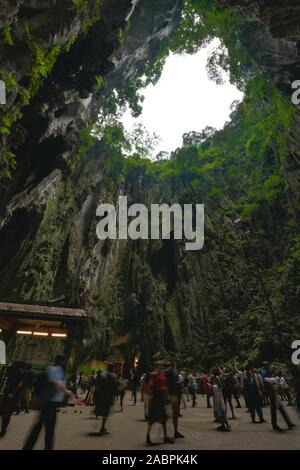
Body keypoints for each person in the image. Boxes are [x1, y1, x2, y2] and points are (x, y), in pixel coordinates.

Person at [22, 355, 73, 450]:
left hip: (48, 402)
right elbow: (55, 382)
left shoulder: (53, 368)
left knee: (40, 427)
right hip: (50, 403)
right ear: (61, 361)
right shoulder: (54, 369)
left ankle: (28, 447)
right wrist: (67, 392)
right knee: (48, 428)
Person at [261, 362, 295, 433]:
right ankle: (276, 425)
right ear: (265, 365)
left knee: (278, 408)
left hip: (273, 392)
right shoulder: (264, 372)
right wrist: (274, 380)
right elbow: (264, 379)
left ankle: (287, 423)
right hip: (271, 393)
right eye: (268, 365)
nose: (269, 366)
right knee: (276, 409)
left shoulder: (266, 371)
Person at [146, 361, 174, 445]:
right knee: (153, 417)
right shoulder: (153, 374)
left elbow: (164, 386)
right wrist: (150, 397)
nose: (162, 366)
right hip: (156, 397)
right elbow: (150, 386)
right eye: (160, 365)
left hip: (162, 397)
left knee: (164, 417)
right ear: (156, 366)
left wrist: (167, 396)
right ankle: (148, 436)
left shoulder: (162, 374)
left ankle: (165, 437)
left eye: (163, 365)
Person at [0, 362, 24, 438]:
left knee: (6, 413)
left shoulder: (16, 372)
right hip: (10, 395)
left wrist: (12, 393)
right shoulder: (19, 372)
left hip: (10, 395)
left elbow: (19, 384)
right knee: (6, 413)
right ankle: (3, 430)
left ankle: (3, 431)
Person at [94, 363, 117, 435]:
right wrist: (114, 397)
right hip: (108, 396)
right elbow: (114, 387)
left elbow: (97, 383)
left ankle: (102, 425)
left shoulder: (102, 374)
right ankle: (102, 427)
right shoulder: (113, 376)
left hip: (100, 395)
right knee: (106, 412)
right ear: (113, 369)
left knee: (101, 409)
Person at [164, 359, 185, 439]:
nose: (174, 363)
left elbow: (174, 382)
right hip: (170, 394)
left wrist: (178, 384)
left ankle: (175, 431)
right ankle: (168, 434)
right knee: (168, 415)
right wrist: (167, 394)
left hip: (175, 394)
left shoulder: (176, 371)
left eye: (175, 361)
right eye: (173, 361)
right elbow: (165, 383)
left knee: (175, 414)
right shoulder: (168, 371)